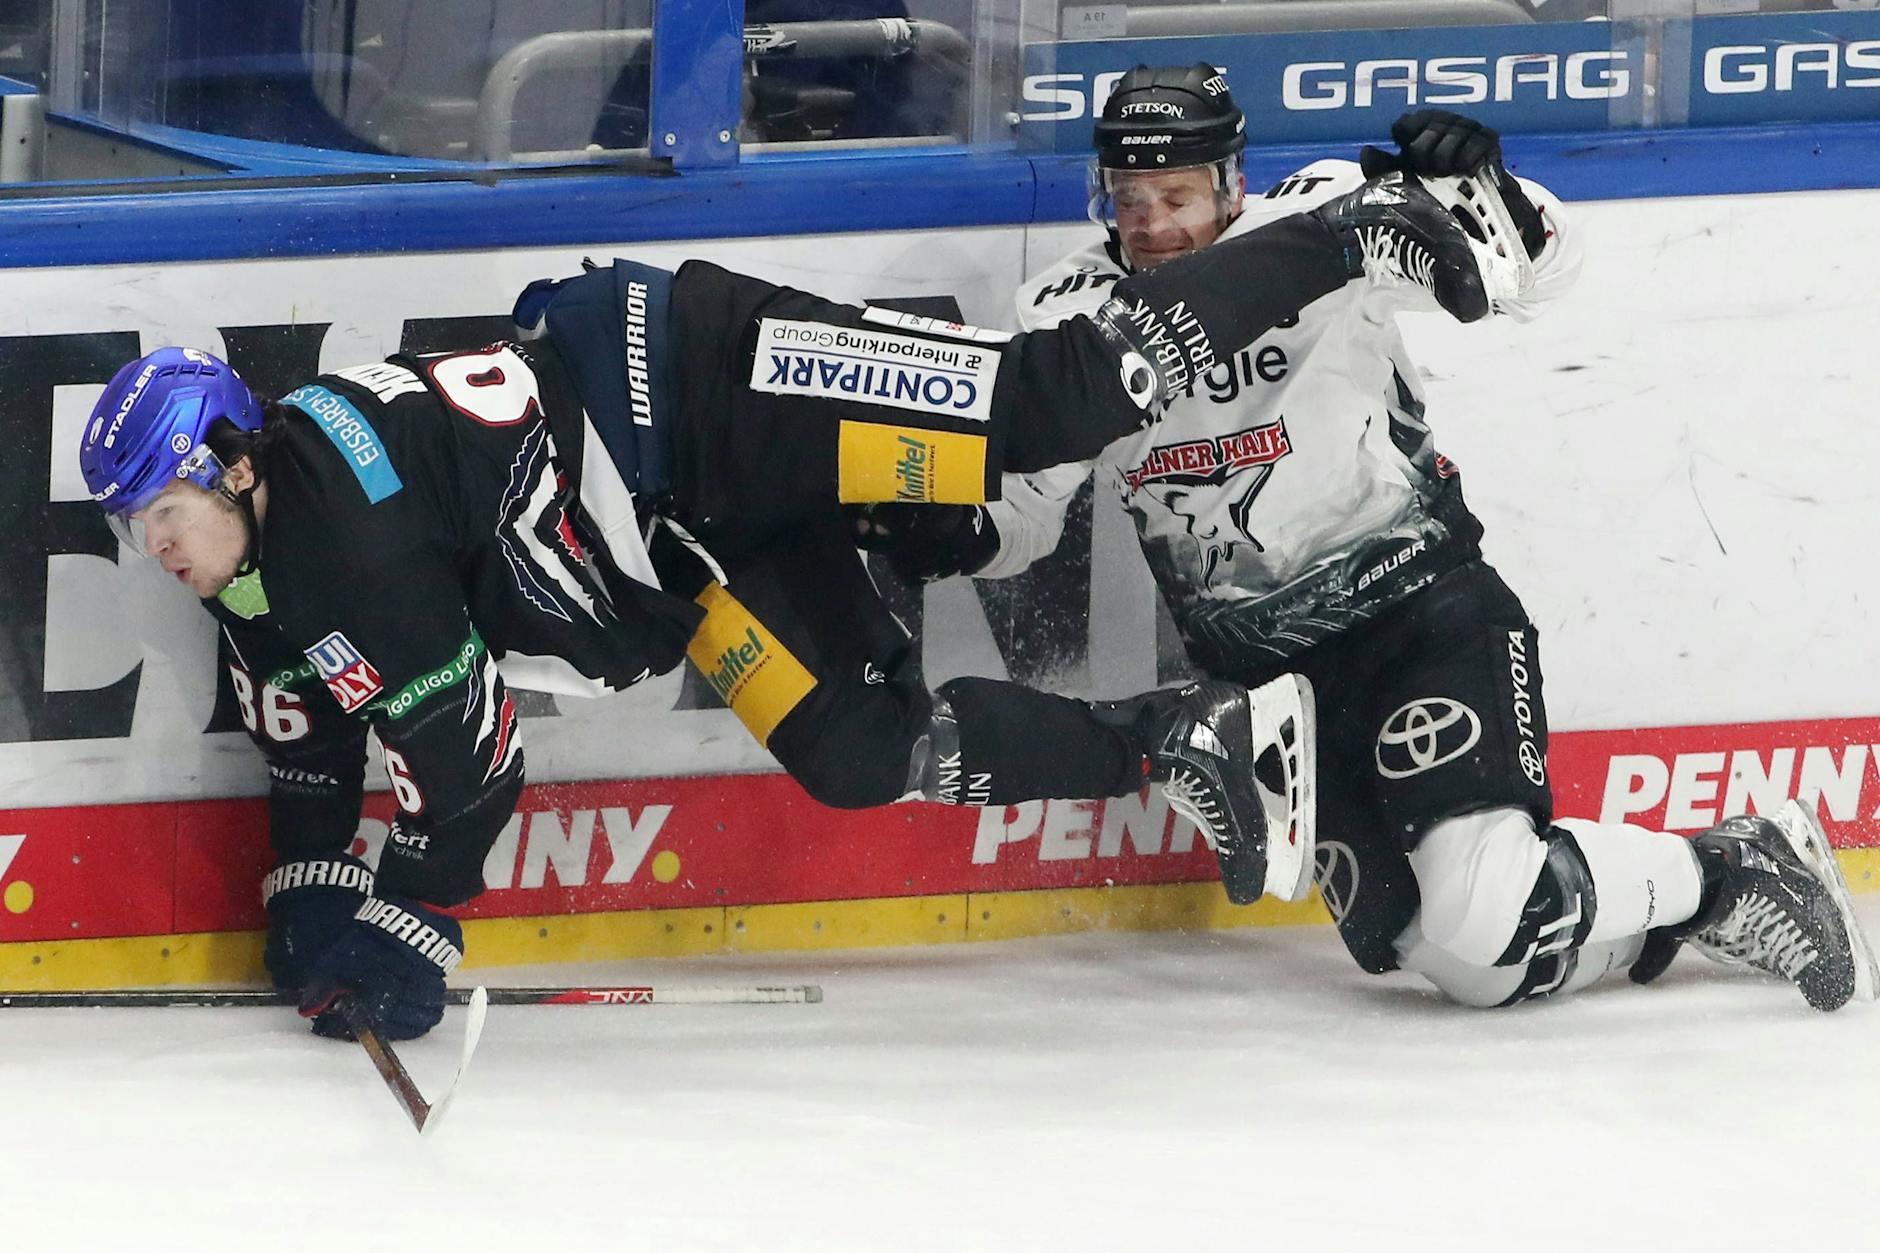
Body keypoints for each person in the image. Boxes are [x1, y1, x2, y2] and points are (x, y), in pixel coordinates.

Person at [76, 182, 1502, 1039]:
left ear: (234, 463)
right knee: (858, 755)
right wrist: (311, 900)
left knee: (1043, 401)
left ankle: (1345, 238)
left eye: (164, 514)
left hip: (698, 379)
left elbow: (472, 763)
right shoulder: (267, 559)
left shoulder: (343, 545)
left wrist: (406, 920)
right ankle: (1183, 737)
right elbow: (314, 736)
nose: (157, 549)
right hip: (678, 536)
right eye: (138, 529)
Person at [852, 64, 1878, 1011]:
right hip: (1274, 687)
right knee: (1447, 958)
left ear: (1232, 184)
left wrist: (1479, 185)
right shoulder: (1070, 315)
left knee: (1482, 904)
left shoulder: (1322, 224)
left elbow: (1532, 269)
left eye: (1176, 197)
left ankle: (1729, 867)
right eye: (1129, 199)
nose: (1152, 224)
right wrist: (953, 529)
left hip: (1418, 609)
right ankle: (1662, 919)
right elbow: (1029, 514)